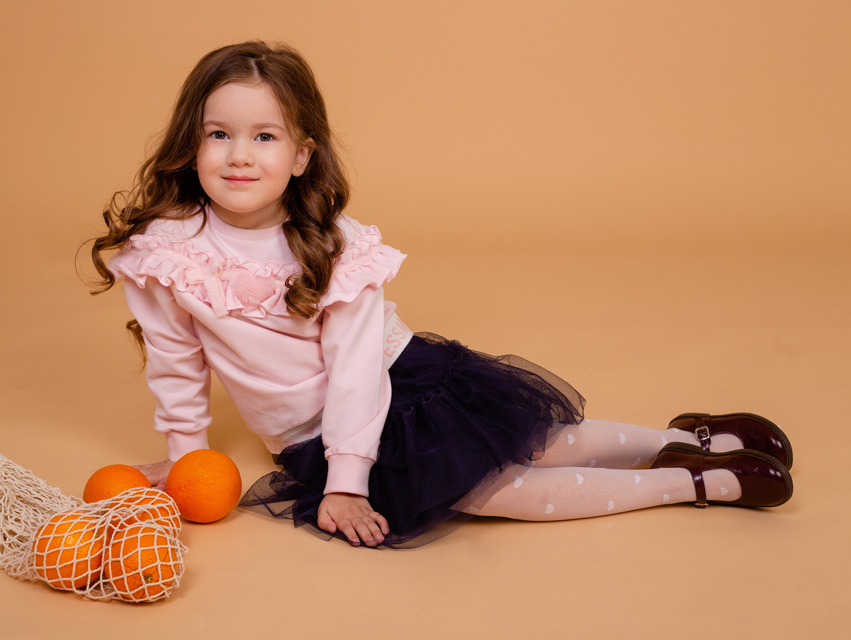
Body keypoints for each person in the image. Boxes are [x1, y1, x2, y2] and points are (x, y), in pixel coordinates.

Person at [88, 41, 793, 549]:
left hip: (394, 383)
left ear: (301, 156)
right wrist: (186, 457)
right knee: (492, 492)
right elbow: (176, 359)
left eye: (264, 136)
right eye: (219, 134)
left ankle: (686, 445)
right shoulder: (166, 252)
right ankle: (700, 482)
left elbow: (356, 368)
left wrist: (348, 480)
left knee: (538, 444)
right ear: (191, 145)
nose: (239, 154)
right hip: (309, 433)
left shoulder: (333, 245)